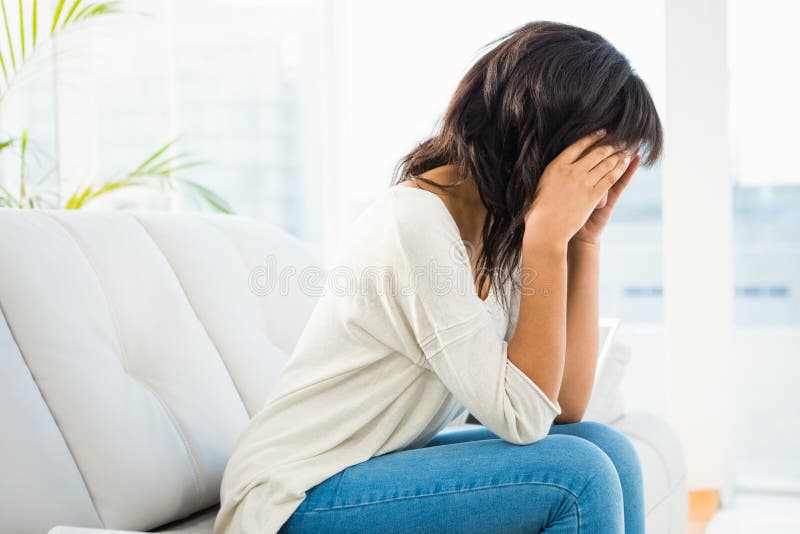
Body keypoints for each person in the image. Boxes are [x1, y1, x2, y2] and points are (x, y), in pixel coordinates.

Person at [215, 20, 663, 534]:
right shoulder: (416, 225)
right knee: (577, 476)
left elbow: (564, 408)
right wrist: (548, 240)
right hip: (292, 495)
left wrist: (584, 239)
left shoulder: (501, 226)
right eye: (592, 166)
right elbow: (524, 418)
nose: (597, 186)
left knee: (607, 451)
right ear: (549, 143)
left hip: (363, 468)